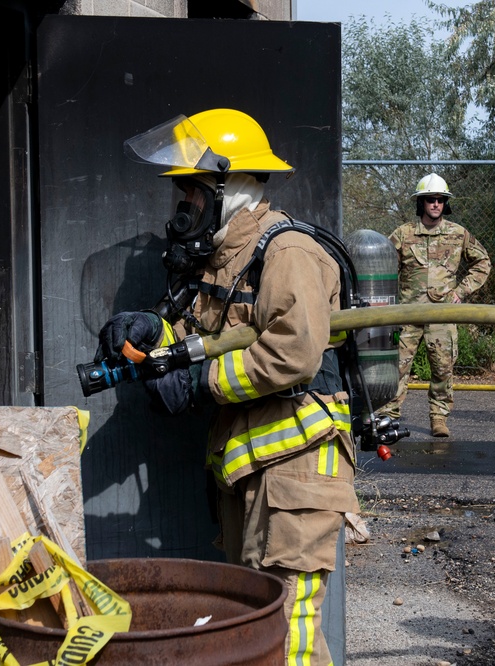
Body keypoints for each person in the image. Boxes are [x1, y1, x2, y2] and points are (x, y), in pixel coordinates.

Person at [96, 108, 357, 665]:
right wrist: (151, 330)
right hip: (255, 472)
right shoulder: (227, 258)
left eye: (189, 193)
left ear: (228, 185)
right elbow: (207, 335)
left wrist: (201, 384)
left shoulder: (287, 253)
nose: (181, 208)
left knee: (290, 636)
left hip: (298, 473)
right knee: (257, 628)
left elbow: (293, 352)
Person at [379, 173, 492, 438]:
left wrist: (461, 291)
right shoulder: (403, 234)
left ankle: (439, 418)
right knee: (397, 367)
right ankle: (388, 416)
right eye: (430, 199)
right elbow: (383, 266)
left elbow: (483, 262)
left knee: (443, 368)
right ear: (421, 203)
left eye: (440, 200)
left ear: (445, 203)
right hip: (407, 314)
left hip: (442, 314)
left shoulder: (457, 233)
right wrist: (387, 302)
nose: (436, 204)